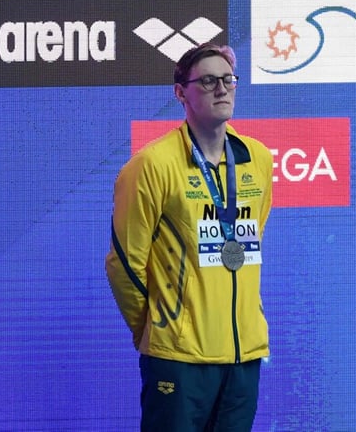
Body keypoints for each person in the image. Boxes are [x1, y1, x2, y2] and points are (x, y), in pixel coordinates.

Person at [105, 43, 274, 432]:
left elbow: (251, 242)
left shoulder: (258, 160)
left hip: (244, 355)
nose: (222, 89)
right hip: (178, 358)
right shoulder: (151, 165)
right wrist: (158, 327)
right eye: (209, 81)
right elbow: (124, 264)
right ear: (181, 92)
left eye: (228, 79)